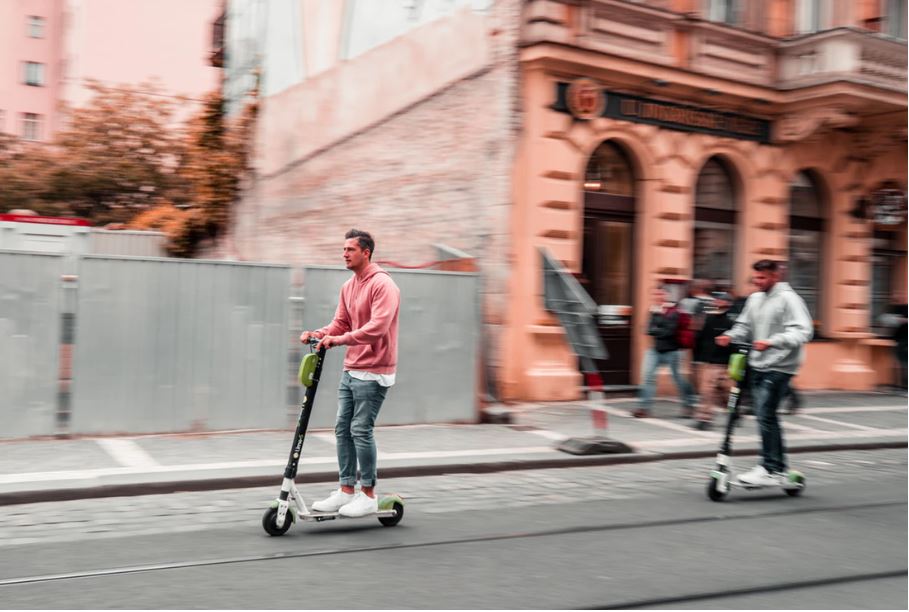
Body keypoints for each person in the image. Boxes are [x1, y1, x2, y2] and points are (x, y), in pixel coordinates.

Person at [299, 229, 401, 517]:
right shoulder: (349, 286)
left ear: (366, 252)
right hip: (352, 368)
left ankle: (367, 493)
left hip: (375, 369)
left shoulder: (383, 285)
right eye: (343, 249)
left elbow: (377, 328)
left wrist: (339, 341)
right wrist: (318, 334)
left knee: (360, 429)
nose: (344, 253)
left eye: (350, 249)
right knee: (342, 429)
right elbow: (340, 323)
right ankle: (346, 490)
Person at [716, 260, 813, 486]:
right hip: (758, 363)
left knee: (765, 414)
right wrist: (731, 336)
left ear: (775, 277)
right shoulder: (755, 299)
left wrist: (772, 342)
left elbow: (803, 331)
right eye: (756, 277)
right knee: (767, 416)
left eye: (763, 278)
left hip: (781, 366)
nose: (758, 282)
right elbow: (744, 326)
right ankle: (777, 467)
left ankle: (770, 468)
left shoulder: (789, 299)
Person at [633, 285, 697, 419]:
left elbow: (670, 331)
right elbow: (648, 330)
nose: (657, 297)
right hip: (655, 350)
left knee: (678, 379)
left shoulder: (674, 311)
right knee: (647, 377)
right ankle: (644, 408)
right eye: (655, 294)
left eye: (660, 294)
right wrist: (658, 327)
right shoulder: (653, 310)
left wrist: (657, 327)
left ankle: (689, 404)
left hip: (673, 351)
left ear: (666, 295)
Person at [691, 292, 736, 430]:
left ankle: (735, 412)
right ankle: (704, 418)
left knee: (727, 393)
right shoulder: (708, 319)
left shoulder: (731, 323)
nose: (717, 302)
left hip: (726, 363)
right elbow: (699, 339)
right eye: (716, 300)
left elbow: (735, 343)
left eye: (720, 301)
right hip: (709, 363)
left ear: (728, 304)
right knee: (707, 391)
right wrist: (697, 358)